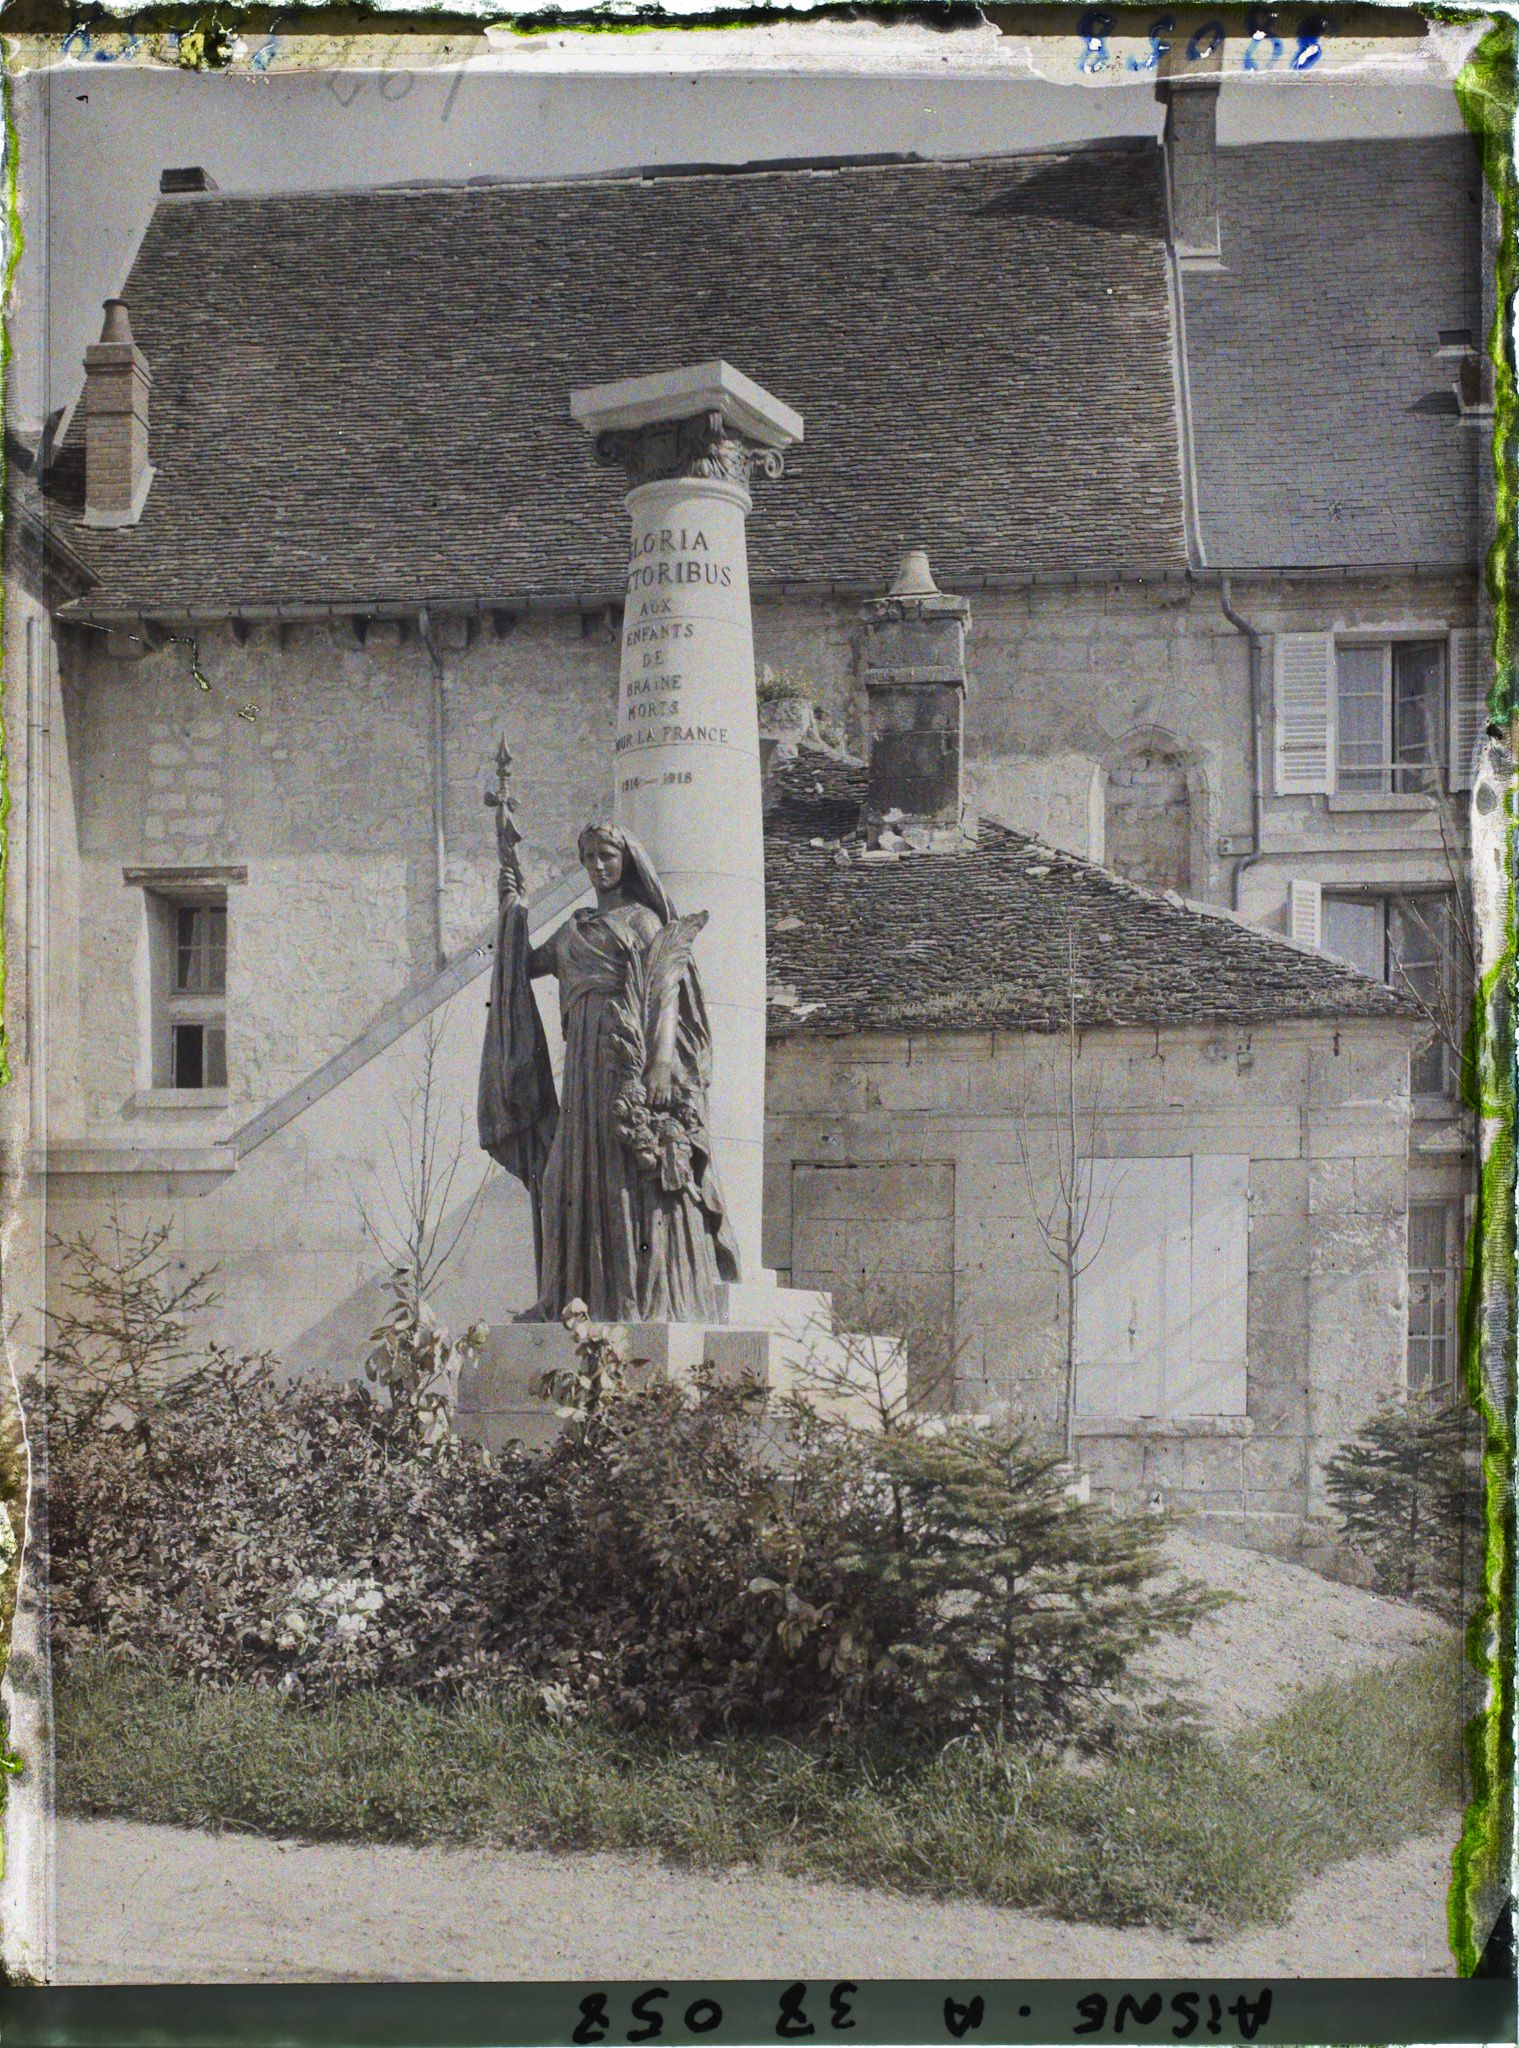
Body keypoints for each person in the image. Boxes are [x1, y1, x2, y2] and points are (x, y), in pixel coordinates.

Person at [479, 820, 739, 1323]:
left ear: (626, 860)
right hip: (582, 1068)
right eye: (590, 858)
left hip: (626, 1059)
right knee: (564, 1177)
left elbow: (666, 990)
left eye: (608, 856)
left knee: (627, 1177)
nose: (599, 866)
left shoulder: (643, 921)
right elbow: (523, 966)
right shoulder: (575, 929)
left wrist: (661, 1063)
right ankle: (571, 1294)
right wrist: (513, 908)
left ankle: (630, 1296)